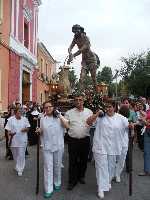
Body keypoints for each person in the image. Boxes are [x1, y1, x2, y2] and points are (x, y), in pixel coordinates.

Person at [87, 100, 129, 199]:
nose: (108, 109)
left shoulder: (121, 118)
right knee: (101, 167)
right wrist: (97, 113)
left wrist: (131, 127)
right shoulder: (100, 117)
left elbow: (129, 126)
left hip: (113, 147)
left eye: (110, 106)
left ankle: (107, 181)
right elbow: (88, 122)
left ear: (114, 107)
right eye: (106, 107)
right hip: (100, 146)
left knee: (110, 167)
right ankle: (101, 188)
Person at [37, 101, 69, 199]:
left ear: (53, 107)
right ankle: (48, 189)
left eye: (50, 107)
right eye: (46, 107)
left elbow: (67, 126)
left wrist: (59, 116)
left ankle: (57, 181)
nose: (48, 109)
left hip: (58, 146)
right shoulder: (42, 119)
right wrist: (39, 131)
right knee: (48, 167)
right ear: (44, 109)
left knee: (57, 165)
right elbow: (42, 130)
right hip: (47, 146)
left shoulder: (60, 117)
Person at [65, 94, 93, 190]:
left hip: (85, 140)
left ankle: (81, 176)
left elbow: (92, 123)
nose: (78, 101)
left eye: (80, 100)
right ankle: (72, 181)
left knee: (83, 160)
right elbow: (65, 124)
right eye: (76, 100)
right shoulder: (69, 112)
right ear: (74, 101)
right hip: (73, 140)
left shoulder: (89, 112)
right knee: (72, 161)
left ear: (83, 101)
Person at [68, 24, 100, 90]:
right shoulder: (75, 39)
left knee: (93, 78)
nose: (75, 32)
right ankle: (80, 94)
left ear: (80, 30)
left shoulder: (86, 38)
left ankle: (97, 93)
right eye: (74, 31)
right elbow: (70, 47)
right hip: (84, 60)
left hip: (91, 59)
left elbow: (81, 50)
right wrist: (70, 52)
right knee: (81, 78)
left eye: (76, 30)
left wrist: (73, 55)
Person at [5, 108, 30, 176]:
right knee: (15, 155)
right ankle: (17, 165)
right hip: (14, 140)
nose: (20, 113)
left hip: (22, 140)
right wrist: (9, 139)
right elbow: (8, 130)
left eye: (21, 112)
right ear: (15, 113)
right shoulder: (10, 120)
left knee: (21, 155)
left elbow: (28, 128)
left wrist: (24, 129)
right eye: (19, 112)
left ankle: (20, 169)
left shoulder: (25, 119)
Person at [139, 111, 150, 176]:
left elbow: (147, 122)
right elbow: (146, 121)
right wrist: (143, 120)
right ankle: (146, 170)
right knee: (146, 152)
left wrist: (145, 121)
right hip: (147, 131)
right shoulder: (148, 111)